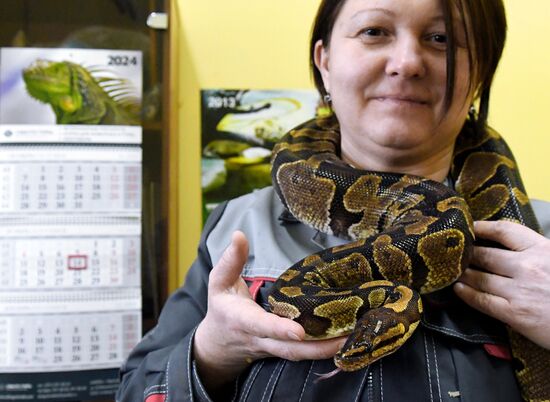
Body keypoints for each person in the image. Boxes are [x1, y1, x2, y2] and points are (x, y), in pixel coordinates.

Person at [116, 0, 550, 401]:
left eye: (440, 39)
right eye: (374, 31)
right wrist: (212, 350)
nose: (406, 63)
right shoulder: (239, 226)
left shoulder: (541, 246)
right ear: (324, 61)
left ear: (482, 71)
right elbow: (136, 389)